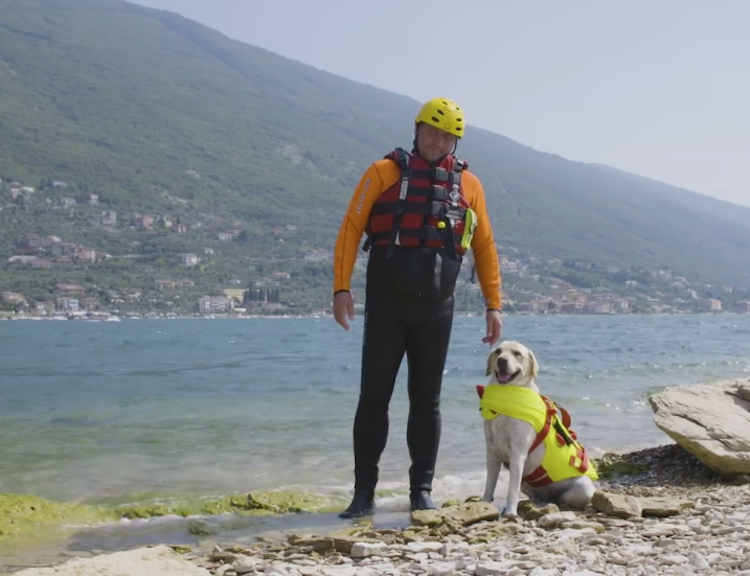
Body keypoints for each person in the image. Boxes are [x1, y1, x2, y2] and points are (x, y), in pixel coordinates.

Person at [331, 97, 503, 518]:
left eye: (447, 135)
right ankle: (363, 494)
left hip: (437, 309)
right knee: (374, 398)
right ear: (417, 129)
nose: (438, 140)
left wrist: (493, 304)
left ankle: (421, 491)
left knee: (427, 400)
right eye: (432, 130)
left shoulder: (470, 185)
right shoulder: (383, 172)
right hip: (388, 306)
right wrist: (341, 288)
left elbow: (484, 246)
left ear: (455, 142)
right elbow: (351, 228)